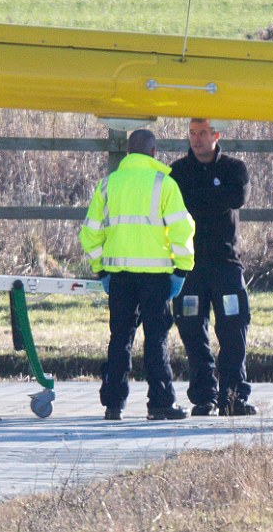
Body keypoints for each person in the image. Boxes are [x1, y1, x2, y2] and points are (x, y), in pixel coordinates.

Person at [80, 128, 195, 421]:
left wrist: (100, 269)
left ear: (128, 152)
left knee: (120, 337)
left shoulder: (108, 184)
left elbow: (90, 233)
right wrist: (182, 270)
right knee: (156, 339)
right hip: (157, 277)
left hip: (119, 275)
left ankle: (113, 404)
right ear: (154, 152)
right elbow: (182, 231)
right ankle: (160, 403)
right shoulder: (164, 184)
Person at [169, 119, 257, 417]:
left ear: (216, 135)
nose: (197, 139)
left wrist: (197, 199)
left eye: (203, 133)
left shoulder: (234, 168)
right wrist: (210, 198)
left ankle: (233, 397)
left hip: (226, 264)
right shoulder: (178, 171)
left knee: (234, 329)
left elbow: (237, 197)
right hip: (190, 266)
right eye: (192, 134)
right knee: (192, 331)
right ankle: (203, 397)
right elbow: (173, 207)